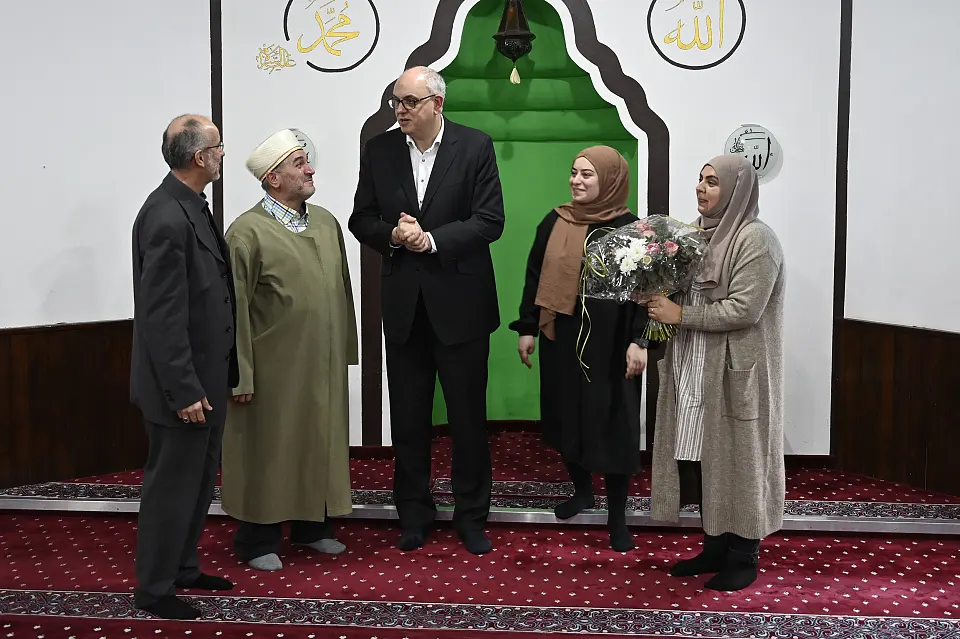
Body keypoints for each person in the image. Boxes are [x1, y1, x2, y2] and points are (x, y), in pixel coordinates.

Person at [348, 66, 505, 555]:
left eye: (410, 102)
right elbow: (361, 217)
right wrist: (392, 235)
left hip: (461, 306)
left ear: (437, 104)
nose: (400, 110)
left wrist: (432, 239)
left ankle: (471, 515)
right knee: (410, 421)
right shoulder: (380, 149)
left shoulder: (475, 146)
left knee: (466, 420)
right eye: (396, 100)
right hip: (404, 310)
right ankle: (413, 514)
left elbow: (490, 221)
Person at [647, 154, 786, 592]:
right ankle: (713, 546)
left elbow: (745, 309)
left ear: (738, 189)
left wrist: (678, 313)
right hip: (693, 364)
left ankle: (744, 555)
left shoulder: (755, 240)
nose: (702, 189)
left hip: (734, 368)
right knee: (703, 458)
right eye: (700, 180)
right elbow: (679, 295)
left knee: (739, 461)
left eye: (713, 182)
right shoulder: (693, 237)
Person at [220, 129, 358, 571]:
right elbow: (234, 308)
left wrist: (345, 349)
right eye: (300, 163)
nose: (311, 169)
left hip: (322, 361)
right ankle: (256, 538)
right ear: (274, 177)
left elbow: (342, 290)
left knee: (317, 438)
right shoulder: (246, 232)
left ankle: (311, 526)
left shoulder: (324, 221)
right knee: (271, 447)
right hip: (273, 366)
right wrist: (240, 372)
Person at [509, 146, 650, 552]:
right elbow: (534, 277)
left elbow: (649, 292)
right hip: (563, 338)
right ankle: (583, 492)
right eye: (574, 173)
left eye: (587, 175)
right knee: (567, 417)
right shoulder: (554, 221)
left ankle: (617, 517)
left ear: (609, 180)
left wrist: (639, 340)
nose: (576, 181)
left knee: (614, 424)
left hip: (613, 344)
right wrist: (528, 328)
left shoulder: (632, 230)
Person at [130, 114, 237, 620]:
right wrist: (185, 389)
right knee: (171, 489)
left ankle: (184, 566)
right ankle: (154, 589)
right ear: (200, 157)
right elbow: (162, 317)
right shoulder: (167, 216)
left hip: (206, 381)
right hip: (183, 390)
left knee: (197, 484)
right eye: (218, 147)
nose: (222, 154)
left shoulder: (190, 204)